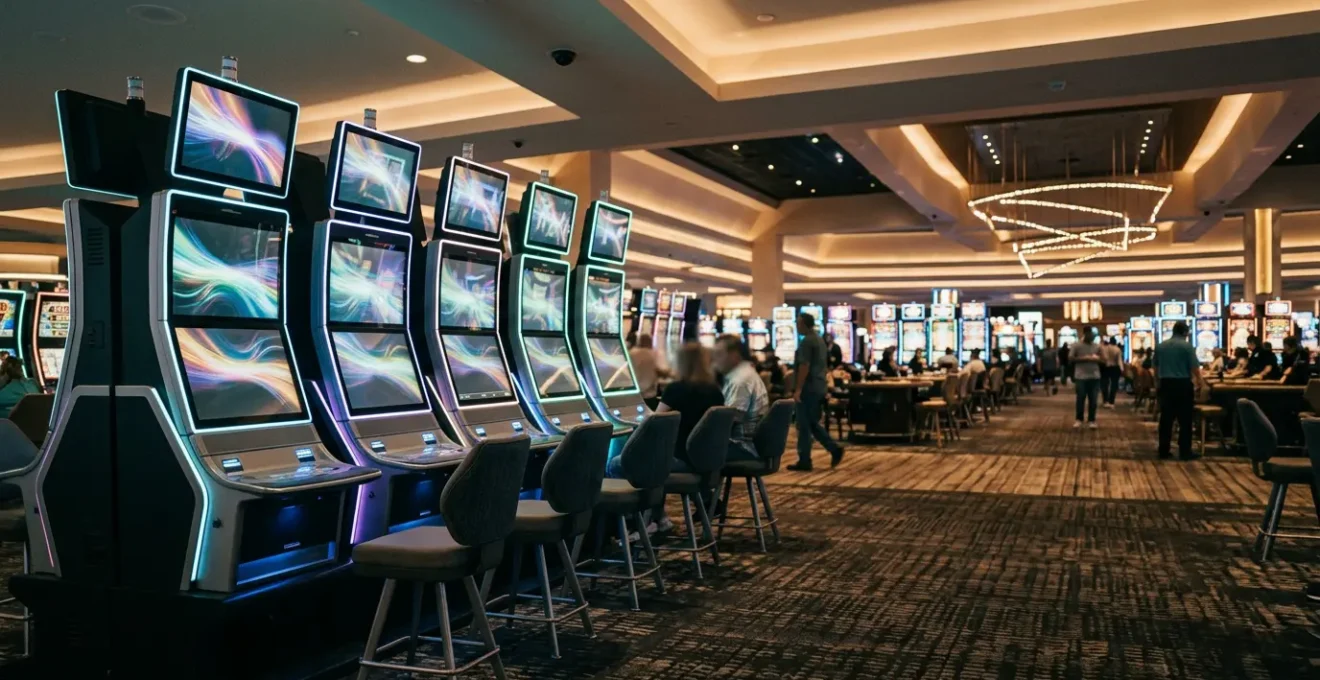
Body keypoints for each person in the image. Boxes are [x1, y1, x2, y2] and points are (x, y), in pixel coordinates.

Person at [645, 342, 726, 531]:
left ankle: (642, 522)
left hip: (683, 460)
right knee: (654, 460)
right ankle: (659, 518)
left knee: (620, 464)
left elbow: (654, 421)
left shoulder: (676, 389)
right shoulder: (715, 391)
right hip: (707, 461)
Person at [789, 312, 845, 471]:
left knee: (803, 424)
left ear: (804, 324)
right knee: (812, 423)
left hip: (809, 387)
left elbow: (804, 366)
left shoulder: (807, 341)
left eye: (798, 323)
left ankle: (805, 460)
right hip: (819, 385)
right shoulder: (820, 340)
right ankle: (833, 449)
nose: (797, 326)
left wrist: (798, 389)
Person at [1152, 321, 1206, 460]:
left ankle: (1163, 450)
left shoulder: (1160, 346)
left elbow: (1155, 368)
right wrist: (1200, 382)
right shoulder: (1187, 347)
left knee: (1166, 419)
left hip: (1165, 384)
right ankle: (1185, 451)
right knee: (1185, 419)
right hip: (1182, 384)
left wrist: (1157, 383)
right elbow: (1194, 368)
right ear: (1185, 332)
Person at [712, 334, 769, 463]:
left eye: (719, 354)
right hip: (749, 444)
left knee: (692, 450)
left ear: (734, 356)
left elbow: (730, 419)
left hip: (742, 446)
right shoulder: (743, 374)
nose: (714, 359)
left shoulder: (740, 380)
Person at [1070, 329, 1103, 429]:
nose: (1092, 337)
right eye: (1090, 335)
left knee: (1093, 400)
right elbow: (1071, 358)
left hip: (1095, 376)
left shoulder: (1097, 346)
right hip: (1081, 376)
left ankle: (1091, 420)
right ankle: (1079, 419)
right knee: (1080, 398)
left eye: (1093, 335)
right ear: (1085, 334)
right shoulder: (1076, 345)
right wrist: (1085, 358)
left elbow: (1104, 359)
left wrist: (1098, 359)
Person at [629, 333, 663, 410]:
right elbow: (660, 371)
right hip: (650, 395)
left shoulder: (632, 353)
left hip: (636, 395)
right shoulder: (654, 354)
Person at [1099, 337, 1123, 408]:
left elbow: (1103, 358)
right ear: (1115, 342)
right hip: (1114, 367)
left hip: (1105, 367)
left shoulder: (1105, 348)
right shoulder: (1117, 349)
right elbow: (1119, 360)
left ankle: (1105, 401)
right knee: (1114, 385)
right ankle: (1111, 401)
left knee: (1104, 384)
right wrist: (1122, 369)